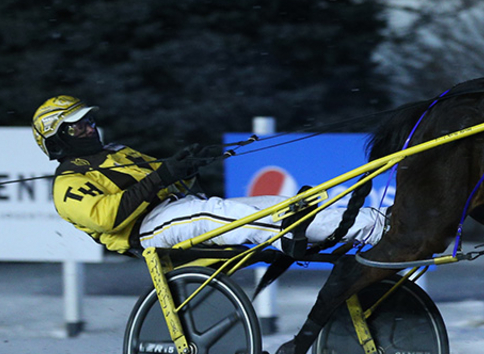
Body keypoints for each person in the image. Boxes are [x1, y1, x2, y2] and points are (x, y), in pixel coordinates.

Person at [32, 95, 385, 255]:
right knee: (217, 213)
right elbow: (106, 217)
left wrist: (186, 164)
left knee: (280, 204)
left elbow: (168, 178)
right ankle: (295, 236)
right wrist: (163, 176)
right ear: (59, 138)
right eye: (77, 127)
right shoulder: (68, 183)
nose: (89, 128)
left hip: (178, 209)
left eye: (89, 121)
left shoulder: (118, 154)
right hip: (147, 231)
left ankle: (375, 226)